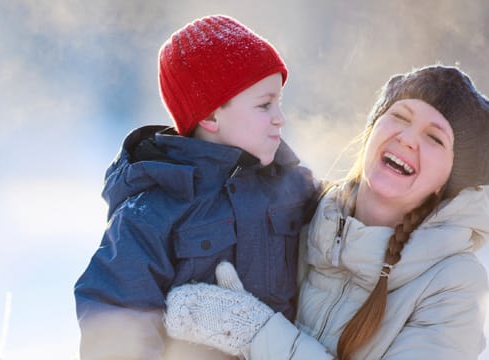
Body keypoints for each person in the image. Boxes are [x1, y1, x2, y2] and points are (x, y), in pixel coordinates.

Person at [164, 65, 489, 360]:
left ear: (449, 180)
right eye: (400, 117)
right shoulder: (300, 213)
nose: (407, 138)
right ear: (372, 130)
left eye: (434, 137)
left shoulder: (453, 285)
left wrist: (255, 333)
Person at [73, 14, 319, 360]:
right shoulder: (154, 207)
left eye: (280, 102)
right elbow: (117, 312)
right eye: (265, 104)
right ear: (210, 117)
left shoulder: (292, 187)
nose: (280, 117)